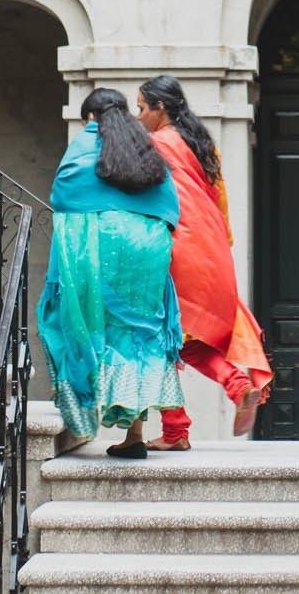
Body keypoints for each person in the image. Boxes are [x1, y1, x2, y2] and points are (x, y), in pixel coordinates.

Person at [36, 88, 186, 460]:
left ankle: (86, 407)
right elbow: (170, 206)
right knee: (137, 334)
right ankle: (134, 435)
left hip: (102, 240)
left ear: (89, 116)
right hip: (149, 246)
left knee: (92, 323)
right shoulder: (145, 143)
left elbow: (65, 195)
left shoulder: (87, 139)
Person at [136, 75, 273, 449]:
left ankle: (176, 431)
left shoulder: (156, 144)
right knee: (183, 339)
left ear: (160, 108)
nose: (139, 116)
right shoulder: (202, 144)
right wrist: (220, 245)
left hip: (177, 247)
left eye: (142, 108)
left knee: (162, 337)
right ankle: (235, 385)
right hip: (210, 246)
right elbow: (221, 199)